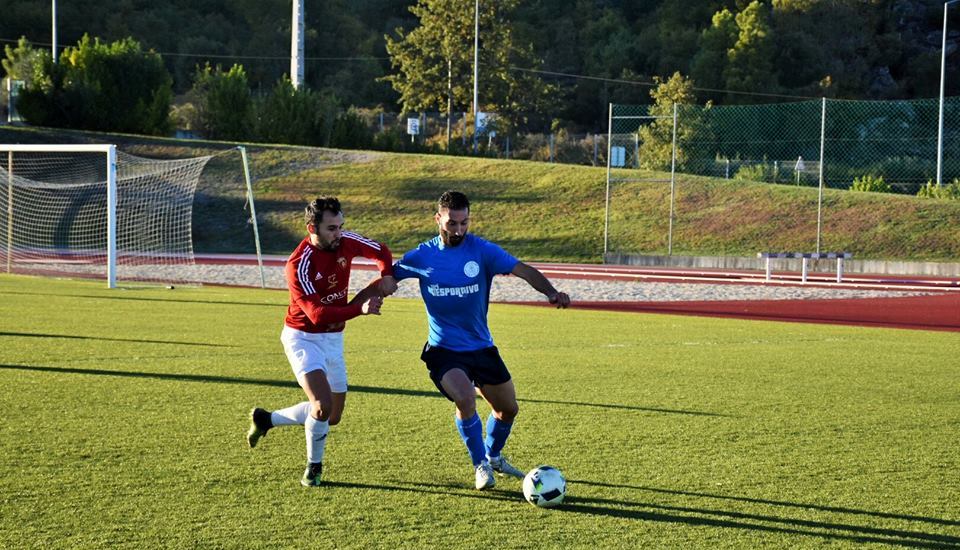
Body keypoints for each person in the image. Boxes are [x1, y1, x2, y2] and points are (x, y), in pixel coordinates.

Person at [392, 190, 570, 490]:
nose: (458, 230)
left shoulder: (482, 250)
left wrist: (551, 292)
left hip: (481, 347)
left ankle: (493, 456)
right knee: (465, 398)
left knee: (508, 410)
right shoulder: (422, 255)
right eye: (452, 223)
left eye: (464, 223)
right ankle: (481, 465)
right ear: (438, 219)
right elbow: (388, 277)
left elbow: (523, 270)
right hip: (443, 350)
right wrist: (366, 300)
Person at [246, 197, 397, 487]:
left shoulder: (345, 240)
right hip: (303, 338)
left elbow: (381, 250)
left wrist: (386, 274)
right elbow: (316, 314)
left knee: (332, 416)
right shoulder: (298, 264)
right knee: (322, 405)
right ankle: (313, 468)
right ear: (311, 228)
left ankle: (266, 419)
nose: (338, 233)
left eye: (340, 226)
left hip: (333, 337)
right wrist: (360, 309)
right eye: (331, 228)